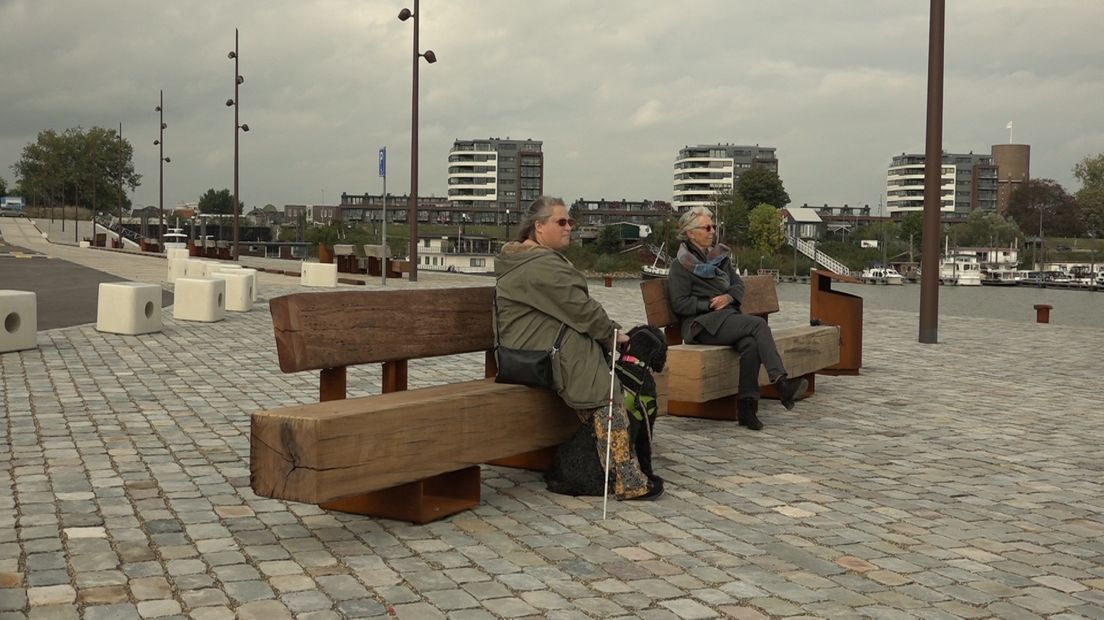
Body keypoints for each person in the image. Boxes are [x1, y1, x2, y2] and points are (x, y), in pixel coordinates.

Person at [495, 196, 663, 500]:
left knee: (582, 351)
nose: (569, 227)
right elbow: (579, 308)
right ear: (539, 226)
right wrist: (611, 334)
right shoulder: (539, 265)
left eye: (570, 221)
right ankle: (626, 477)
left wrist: (604, 333)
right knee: (591, 370)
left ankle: (622, 471)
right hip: (533, 353)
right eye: (561, 222)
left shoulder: (532, 260)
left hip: (530, 347)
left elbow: (574, 309)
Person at [667, 206, 807, 430]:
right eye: (707, 227)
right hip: (700, 325)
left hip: (725, 318)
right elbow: (680, 303)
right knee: (758, 324)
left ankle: (746, 408)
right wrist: (710, 304)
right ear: (691, 233)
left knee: (751, 344)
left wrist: (728, 297)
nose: (713, 231)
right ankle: (781, 383)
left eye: (713, 227)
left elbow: (738, 285)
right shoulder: (681, 265)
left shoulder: (719, 258)